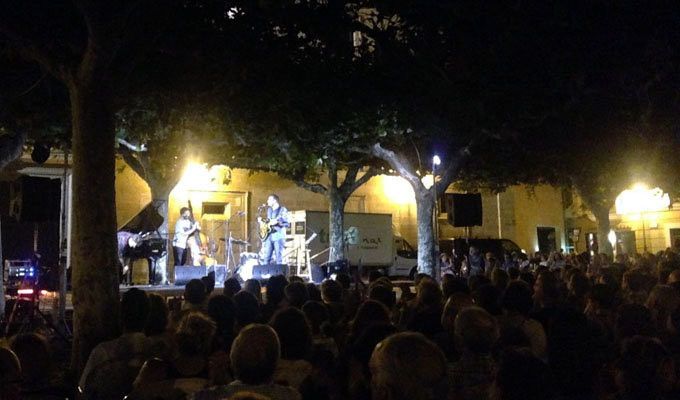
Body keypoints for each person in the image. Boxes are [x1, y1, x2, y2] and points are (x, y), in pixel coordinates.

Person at [259, 194, 290, 265]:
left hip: (278, 236)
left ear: (275, 200)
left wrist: (272, 221)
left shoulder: (282, 209)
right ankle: (265, 274)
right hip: (269, 236)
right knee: (266, 258)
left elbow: (279, 220)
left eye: (269, 199)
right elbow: (269, 222)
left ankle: (280, 275)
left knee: (279, 259)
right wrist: (262, 221)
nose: (267, 201)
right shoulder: (269, 210)